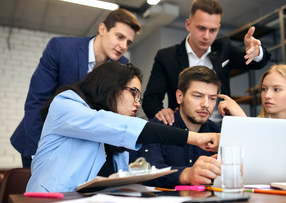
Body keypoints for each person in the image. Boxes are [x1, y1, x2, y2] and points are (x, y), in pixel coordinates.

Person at [26, 62, 220, 192]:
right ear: (110, 86)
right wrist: (193, 138)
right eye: (133, 93)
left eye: (139, 96)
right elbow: (110, 125)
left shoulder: (116, 144)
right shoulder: (65, 104)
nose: (137, 103)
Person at [11, 8, 141, 168]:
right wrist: (38, 151)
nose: (122, 46)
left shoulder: (121, 66)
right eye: (119, 37)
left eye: (128, 42)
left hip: (82, 149)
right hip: (40, 138)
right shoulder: (61, 49)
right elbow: (36, 101)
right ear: (102, 29)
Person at [142, 0, 271, 126]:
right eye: (201, 28)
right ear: (188, 24)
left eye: (213, 30)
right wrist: (162, 113)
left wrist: (256, 52)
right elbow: (151, 99)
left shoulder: (224, 48)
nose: (206, 36)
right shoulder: (167, 56)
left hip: (222, 126)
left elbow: (258, 62)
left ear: (218, 28)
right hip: (183, 130)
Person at [133, 66, 222, 188]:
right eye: (198, 96)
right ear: (179, 96)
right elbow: (148, 173)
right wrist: (186, 174)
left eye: (212, 98)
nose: (206, 104)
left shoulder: (219, 133)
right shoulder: (157, 128)